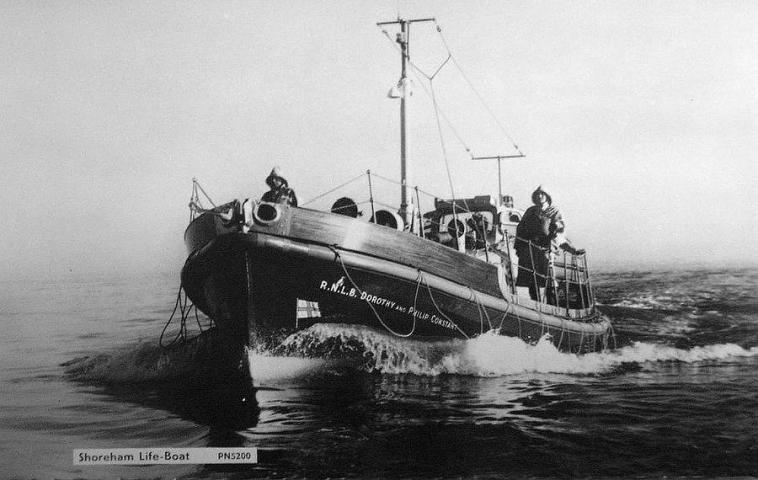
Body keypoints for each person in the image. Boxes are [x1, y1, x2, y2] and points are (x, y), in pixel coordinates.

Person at [514, 186, 583, 301]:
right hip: (530, 249)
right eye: (537, 194)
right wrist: (519, 247)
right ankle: (537, 304)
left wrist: (572, 249)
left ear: (547, 196)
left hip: (545, 249)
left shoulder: (554, 212)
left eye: (542, 194)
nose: (539, 196)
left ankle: (553, 304)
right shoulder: (530, 211)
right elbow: (521, 228)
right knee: (532, 280)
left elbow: (559, 233)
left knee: (549, 279)